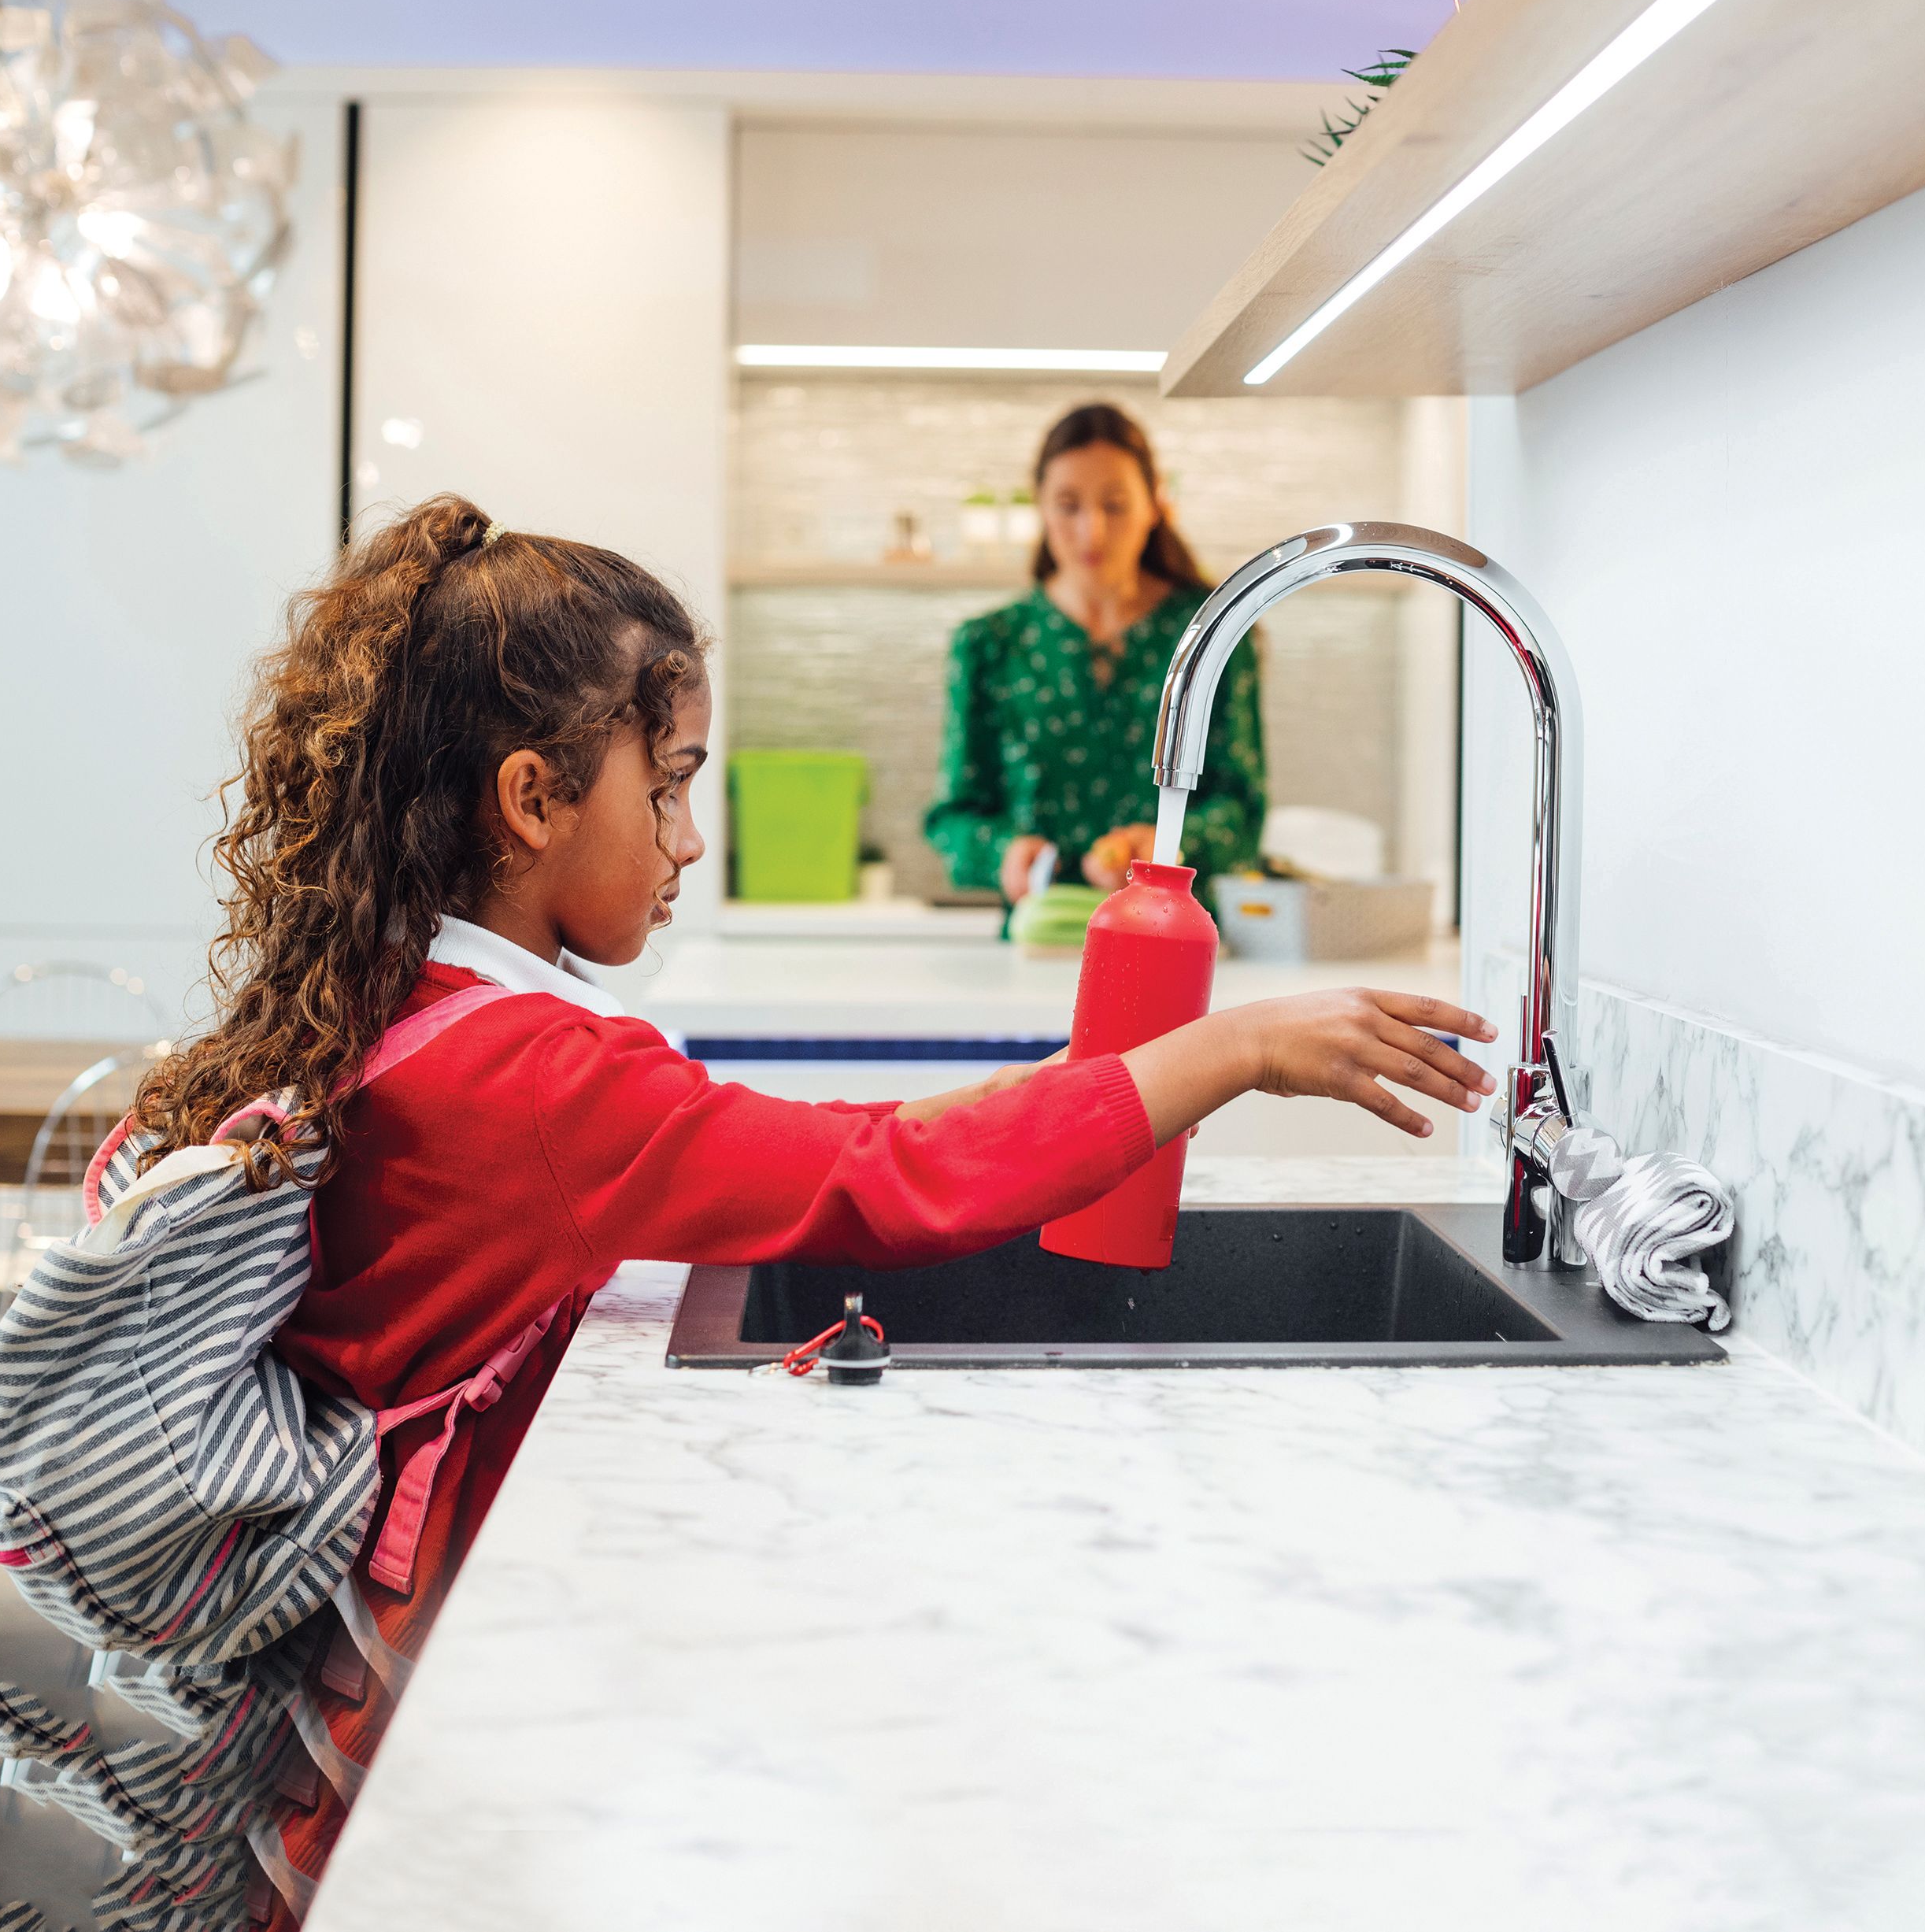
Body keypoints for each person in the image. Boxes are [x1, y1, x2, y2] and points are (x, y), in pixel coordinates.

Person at [120, 494, 1493, 1919]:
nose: (688, 840)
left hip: (369, 1691)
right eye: (666, 787)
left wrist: (1110, 1081)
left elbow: (829, 1144)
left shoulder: (421, 1007)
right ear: (531, 799)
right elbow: (880, 1179)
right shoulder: (537, 1080)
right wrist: (1230, 1052)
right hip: (408, 1725)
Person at [925, 402, 1264, 900]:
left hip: (1172, 938)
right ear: (1039, 507)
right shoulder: (988, 643)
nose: (1092, 531)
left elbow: (1243, 809)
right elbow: (952, 816)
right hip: (1039, 941)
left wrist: (1171, 845)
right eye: (1068, 505)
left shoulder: (1214, 632)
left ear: (1154, 506)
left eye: (1115, 505)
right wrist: (1002, 854)